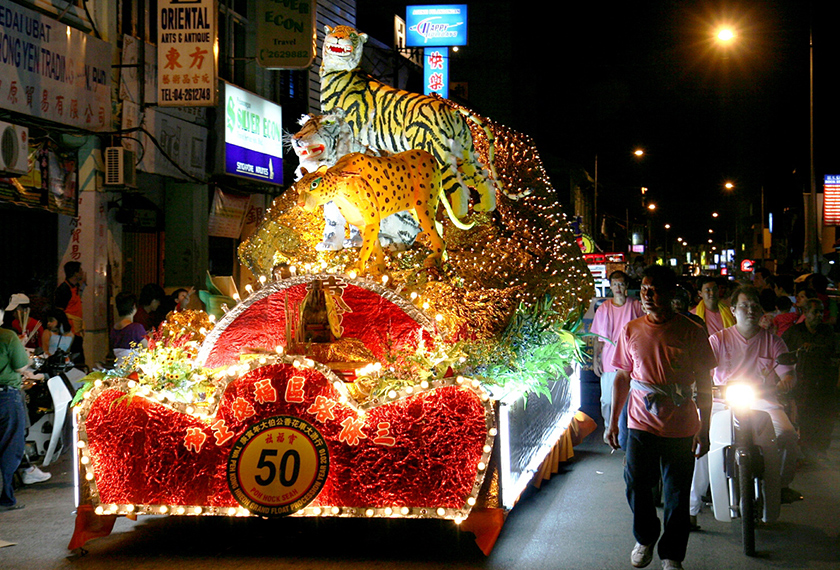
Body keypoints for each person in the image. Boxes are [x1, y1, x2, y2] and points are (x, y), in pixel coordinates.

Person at [606, 265, 715, 570]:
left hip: (681, 423)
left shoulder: (692, 332)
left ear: (670, 293)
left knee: (678, 494)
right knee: (636, 483)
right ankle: (645, 536)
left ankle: (672, 555)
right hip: (641, 420)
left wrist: (704, 428)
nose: (647, 295)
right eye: (643, 289)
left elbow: (705, 383)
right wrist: (612, 421)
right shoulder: (631, 330)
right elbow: (622, 377)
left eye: (654, 289)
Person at [705, 285, 802, 504]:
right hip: (723, 402)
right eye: (744, 305)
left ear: (761, 310)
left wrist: (786, 382)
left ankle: (781, 485)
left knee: (787, 435)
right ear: (733, 310)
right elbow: (703, 372)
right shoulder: (718, 340)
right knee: (706, 442)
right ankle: (698, 497)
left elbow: (788, 374)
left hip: (763, 402)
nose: (750, 310)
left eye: (754, 306)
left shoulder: (774, 342)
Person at [782, 298, 837, 457]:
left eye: (821, 312)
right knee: (803, 416)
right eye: (815, 312)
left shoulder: (827, 331)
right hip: (802, 381)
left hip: (823, 381)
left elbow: (832, 351)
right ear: (805, 313)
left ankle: (820, 449)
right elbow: (783, 354)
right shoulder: (794, 332)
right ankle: (806, 450)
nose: (819, 315)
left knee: (823, 416)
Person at [590, 270, 644, 431]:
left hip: (631, 362)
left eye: (621, 284)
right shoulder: (603, 309)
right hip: (608, 360)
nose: (618, 288)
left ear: (626, 286)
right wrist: (595, 359)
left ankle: (627, 431)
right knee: (607, 399)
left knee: (630, 398)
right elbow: (597, 337)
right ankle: (609, 428)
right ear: (611, 287)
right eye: (615, 284)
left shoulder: (636, 306)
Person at [0, 306, 30, 511]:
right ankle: (6, 497)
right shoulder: (7, 336)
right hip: (6, 396)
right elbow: (21, 367)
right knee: (10, 446)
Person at [53, 261, 86, 366]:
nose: (82, 272)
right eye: (80, 270)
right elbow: (59, 311)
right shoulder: (63, 289)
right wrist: (66, 329)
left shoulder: (74, 287)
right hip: (69, 331)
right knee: (74, 360)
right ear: (75, 273)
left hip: (76, 330)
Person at [110, 293, 148, 358]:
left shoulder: (114, 329)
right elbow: (148, 346)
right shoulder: (136, 328)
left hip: (119, 365)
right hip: (134, 366)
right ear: (134, 307)